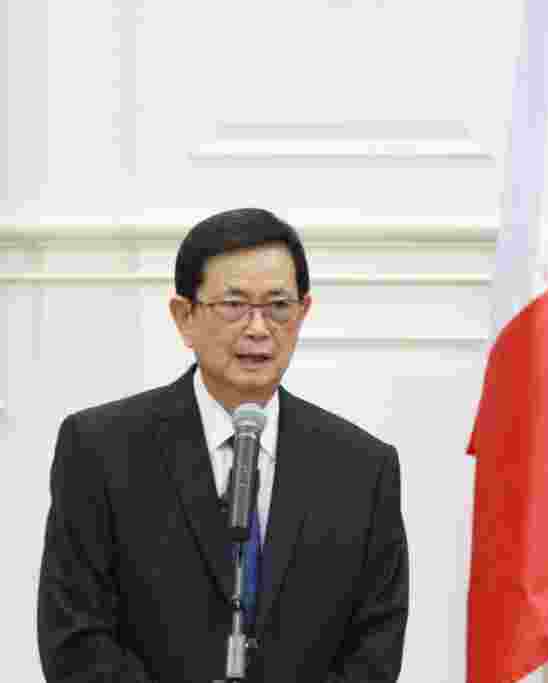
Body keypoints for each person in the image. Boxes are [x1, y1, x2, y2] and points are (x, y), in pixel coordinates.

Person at [37, 208, 409, 682]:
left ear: (303, 312)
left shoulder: (362, 469)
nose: (258, 328)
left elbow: (375, 649)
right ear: (184, 316)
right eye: (233, 305)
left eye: (278, 306)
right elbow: (74, 637)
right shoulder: (100, 450)